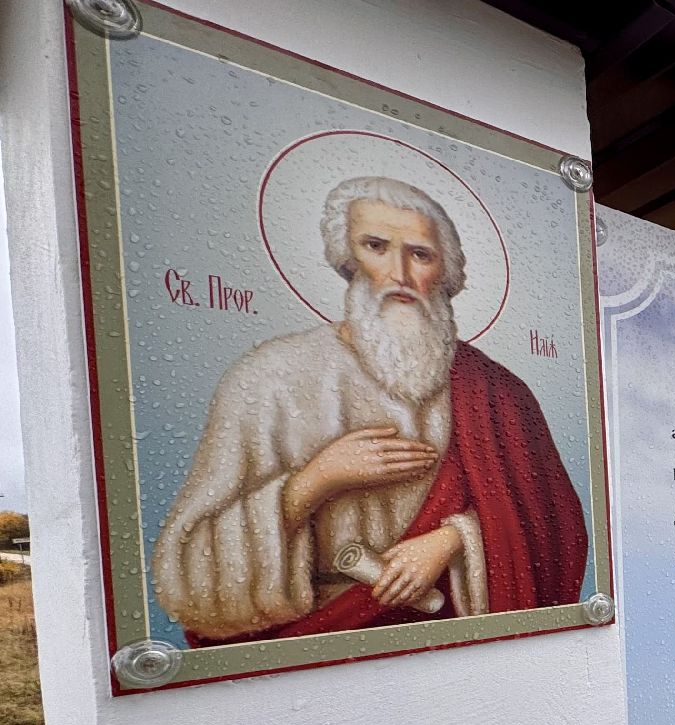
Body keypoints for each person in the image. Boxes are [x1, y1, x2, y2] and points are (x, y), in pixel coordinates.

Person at [153, 176, 586, 643]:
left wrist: (454, 540)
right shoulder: (269, 378)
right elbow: (191, 566)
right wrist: (316, 480)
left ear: (445, 271)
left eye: (420, 254)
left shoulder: (497, 391)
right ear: (348, 258)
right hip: (314, 645)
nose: (399, 273)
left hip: (454, 639)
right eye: (376, 246)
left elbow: (555, 523)